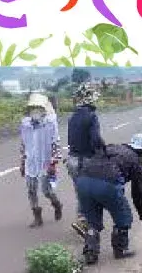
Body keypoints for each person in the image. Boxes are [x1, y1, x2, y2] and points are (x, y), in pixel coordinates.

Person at [74, 133, 142, 264]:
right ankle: (120, 249)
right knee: (123, 216)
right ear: (141, 152)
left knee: (92, 220)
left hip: (83, 181)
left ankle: (90, 252)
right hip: (107, 184)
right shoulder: (135, 160)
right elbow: (138, 193)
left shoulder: (112, 147)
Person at [66, 82, 107, 238]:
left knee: (80, 191)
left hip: (72, 159)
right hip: (86, 160)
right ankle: (86, 223)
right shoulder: (91, 116)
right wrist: (104, 151)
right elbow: (95, 139)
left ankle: (83, 219)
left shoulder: (73, 117)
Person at [19, 93, 63, 227]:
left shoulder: (50, 125)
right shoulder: (26, 125)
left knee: (46, 191)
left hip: (46, 162)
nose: (35, 111)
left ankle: (57, 204)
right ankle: (37, 216)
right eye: (33, 108)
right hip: (31, 162)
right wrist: (22, 162)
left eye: (38, 108)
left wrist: (53, 163)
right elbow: (23, 144)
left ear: (44, 109)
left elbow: (56, 144)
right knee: (31, 189)